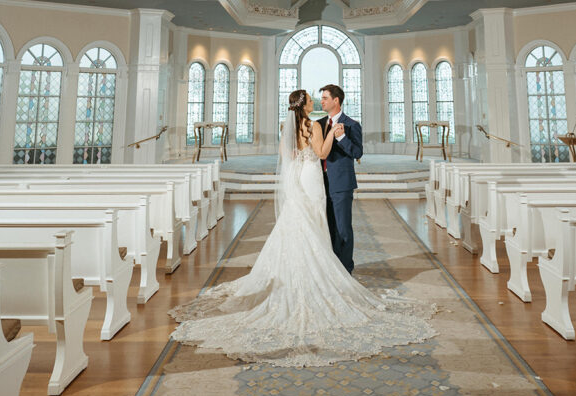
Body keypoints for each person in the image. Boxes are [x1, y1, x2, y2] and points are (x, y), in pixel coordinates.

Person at [169, 89, 436, 367]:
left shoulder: (290, 128)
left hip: (298, 179)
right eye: (312, 98)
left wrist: (328, 140)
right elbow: (320, 152)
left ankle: (313, 269)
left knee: (300, 222)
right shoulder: (314, 125)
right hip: (312, 179)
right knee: (315, 222)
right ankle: (325, 273)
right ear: (305, 105)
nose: (316, 101)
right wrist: (332, 134)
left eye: (321, 97)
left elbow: (290, 159)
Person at [316, 83, 362, 273]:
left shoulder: (352, 125)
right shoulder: (319, 124)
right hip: (320, 183)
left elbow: (358, 152)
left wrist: (342, 139)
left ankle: (345, 270)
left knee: (343, 228)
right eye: (322, 98)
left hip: (341, 183)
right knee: (328, 227)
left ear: (336, 100)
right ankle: (332, 269)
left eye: (325, 98)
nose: (322, 101)